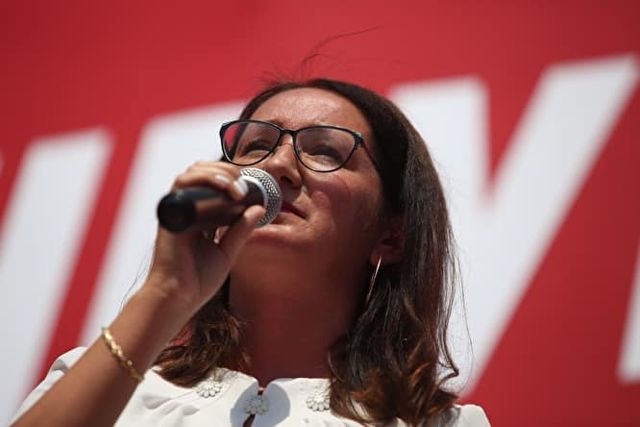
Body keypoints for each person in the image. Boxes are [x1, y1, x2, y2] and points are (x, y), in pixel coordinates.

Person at [12, 79, 490, 426]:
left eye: (325, 151)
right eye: (257, 145)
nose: (278, 165)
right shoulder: (101, 384)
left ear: (391, 235)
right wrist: (166, 293)